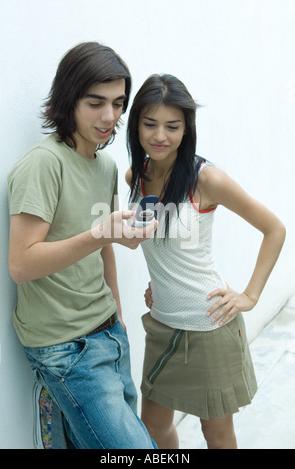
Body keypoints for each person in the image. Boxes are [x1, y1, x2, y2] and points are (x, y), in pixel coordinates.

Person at [7, 42, 158, 449]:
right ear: (69, 98)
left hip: (109, 333)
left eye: (118, 103)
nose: (110, 117)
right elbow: (21, 263)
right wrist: (101, 234)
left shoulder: (105, 166)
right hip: (65, 348)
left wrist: (119, 317)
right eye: (96, 102)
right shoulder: (43, 163)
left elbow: (102, 246)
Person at [125, 73, 286, 449]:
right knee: (153, 427)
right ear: (136, 125)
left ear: (187, 129)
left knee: (215, 433)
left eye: (172, 126)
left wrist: (250, 296)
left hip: (210, 325)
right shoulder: (136, 176)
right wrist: (162, 283)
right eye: (149, 124)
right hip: (163, 324)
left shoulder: (206, 179)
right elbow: (155, 242)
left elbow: (274, 229)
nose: (159, 135)